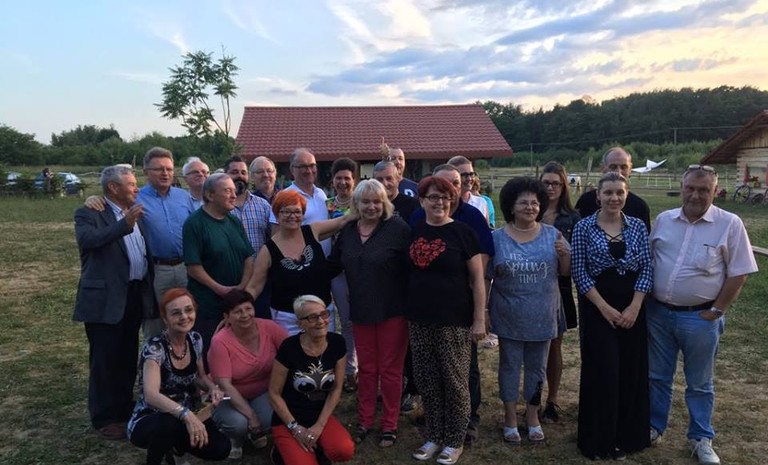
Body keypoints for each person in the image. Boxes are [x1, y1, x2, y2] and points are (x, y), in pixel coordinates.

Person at [648, 165, 758, 465]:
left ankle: (700, 437)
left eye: (703, 190)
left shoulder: (729, 224)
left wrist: (717, 310)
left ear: (715, 191)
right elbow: (649, 259)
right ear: (682, 188)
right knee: (657, 376)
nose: (695, 195)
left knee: (699, 383)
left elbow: (739, 273)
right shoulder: (664, 220)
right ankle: (654, 427)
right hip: (658, 314)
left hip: (700, 318)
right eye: (690, 188)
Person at [571, 172, 653, 460]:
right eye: (608, 193)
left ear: (626, 195)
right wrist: (604, 308)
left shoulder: (638, 226)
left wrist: (635, 307)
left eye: (619, 192)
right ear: (598, 196)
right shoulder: (583, 227)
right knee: (604, 370)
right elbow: (579, 271)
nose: (614, 198)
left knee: (631, 370)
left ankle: (628, 436)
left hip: (632, 306)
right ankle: (599, 439)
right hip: (598, 307)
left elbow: (647, 267)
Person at [412, 164, 494, 445]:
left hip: (455, 317)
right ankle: (434, 434)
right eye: (433, 197)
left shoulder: (464, 231)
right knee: (428, 379)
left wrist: (480, 317)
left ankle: (456, 438)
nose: (439, 202)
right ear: (422, 200)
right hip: (421, 317)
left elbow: (478, 278)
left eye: (445, 197)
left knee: (457, 379)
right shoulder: (415, 228)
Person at [74, 165, 157, 440]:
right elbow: (88, 240)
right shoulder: (90, 212)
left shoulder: (134, 213)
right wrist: (124, 225)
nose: (136, 188)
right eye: (131, 184)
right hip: (105, 298)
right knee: (105, 358)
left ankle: (124, 407)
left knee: (126, 355)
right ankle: (104, 417)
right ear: (113, 188)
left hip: (133, 294)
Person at [487, 177, 570, 444]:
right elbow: (487, 277)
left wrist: (565, 254)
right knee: (509, 367)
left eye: (535, 203)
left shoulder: (553, 235)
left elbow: (565, 273)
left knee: (537, 368)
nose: (530, 207)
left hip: (543, 316)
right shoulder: (496, 239)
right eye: (523, 202)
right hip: (509, 315)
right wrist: (484, 311)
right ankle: (510, 417)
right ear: (511, 206)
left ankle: (532, 415)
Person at [329, 179, 411, 448]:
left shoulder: (397, 229)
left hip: (392, 310)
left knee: (390, 370)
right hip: (361, 309)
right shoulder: (348, 231)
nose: (371, 207)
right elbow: (332, 265)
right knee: (366, 369)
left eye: (377, 201)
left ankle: (389, 423)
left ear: (384, 203)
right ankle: (365, 419)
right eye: (365, 202)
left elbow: (412, 269)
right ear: (356, 204)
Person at [85, 147, 196, 340]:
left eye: (169, 169)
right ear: (145, 172)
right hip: (156, 270)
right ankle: (154, 358)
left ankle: (185, 357)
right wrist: (93, 198)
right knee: (156, 323)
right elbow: (111, 201)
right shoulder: (134, 197)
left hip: (185, 267)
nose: (165, 173)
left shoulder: (183, 196)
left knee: (187, 318)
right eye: (159, 169)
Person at [127, 288, 230, 465]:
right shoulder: (155, 348)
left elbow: (199, 377)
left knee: (221, 448)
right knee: (168, 424)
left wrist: (212, 388)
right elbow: (151, 395)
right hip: (153, 417)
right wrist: (186, 414)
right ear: (165, 318)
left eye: (189, 310)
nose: (184, 317)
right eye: (176, 313)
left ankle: (176, 447)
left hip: (187, 414)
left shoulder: (195, 340)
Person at [246, 190, 354, 335]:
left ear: (303, 215)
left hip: (322, 315)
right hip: (288, 321)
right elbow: (254, 287)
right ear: (277, 215)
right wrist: (238, 308)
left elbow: (343, 221)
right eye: (286, 212)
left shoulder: (312, 231)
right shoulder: (267, 251)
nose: (292, 216)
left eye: (297, 212)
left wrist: (369, 208)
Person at [268, 295, 355, 465]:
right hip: (289, 419)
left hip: (319, 415)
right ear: (300, 324)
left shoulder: (337, 343)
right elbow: (274, 394)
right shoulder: (288, 348)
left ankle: (317, 446)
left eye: (324, 314)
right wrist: (295, 428)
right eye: (312, 317)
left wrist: (320, 425)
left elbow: (336, 388)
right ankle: (279, 453)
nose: (321, 321)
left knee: (344, 450)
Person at [182, 173, 255, 365]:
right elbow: (193, 267)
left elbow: (248, 257)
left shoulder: (234, 221)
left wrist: (241, 287)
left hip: (236, 301)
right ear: (210, 195)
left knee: (237, 351)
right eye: (227, 191)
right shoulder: (194, 224)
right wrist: (221, 289)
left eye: (234, 191)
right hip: (209, 304)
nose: (234, 195)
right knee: (211, 351)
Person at [209, 290, 289, 459]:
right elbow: (225, 385)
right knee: (238, 424)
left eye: (248, 308)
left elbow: (291, 352)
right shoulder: (220, 341)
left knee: (273, 416)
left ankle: (255, 432)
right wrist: (252, 416)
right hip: (228, 395)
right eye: (237, 311)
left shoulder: (269, 327)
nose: (245, 315)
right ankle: (234, 438)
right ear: (227, 317)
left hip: (263, 391)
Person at [539, 161, 581, 423]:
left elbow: (578, 257)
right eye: (546, 182)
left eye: (556, 183)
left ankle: (551, 400)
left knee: (555, 344)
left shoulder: (573, 218)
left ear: (564, 186)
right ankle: (532, 397)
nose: (551, 188)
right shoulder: (529, 209)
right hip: (530, 284)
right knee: (532, 346)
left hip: (559, 286)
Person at [224, 155, 273, 319]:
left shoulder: (263, 205)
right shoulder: (218, 207)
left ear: (249, 177)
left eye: (243, 172)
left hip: (260, 279)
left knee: (261, 321)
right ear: (225, 175)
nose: (239, 176)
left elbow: (272, 241)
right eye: (234, 172)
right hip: (230, 279)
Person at [326, 157, 359, 393]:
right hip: (332, 268)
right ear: (333, 180)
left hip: (355, 269)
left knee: (351, 321)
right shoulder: (325, 205)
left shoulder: (361, 204)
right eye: (339, 178)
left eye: (347, 178)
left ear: (354, 180)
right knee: (335, 319)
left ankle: (352, 369)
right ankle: (335, 367)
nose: (343, 182)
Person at [270, 148, 332, 256]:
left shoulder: (321, 194)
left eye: (312, 165)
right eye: (303, 166)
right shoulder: (284, 197)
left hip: (326, 262)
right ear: (292, 169)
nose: (309, 170)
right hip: (300, 262)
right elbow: (276, 237)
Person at [575, 146, 651, 231]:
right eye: (613, 167)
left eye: (624, 167)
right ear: (603, 168)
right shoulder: (585, 202)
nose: (618, 172)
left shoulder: (640, 207)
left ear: (630, 169)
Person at [447, 156, 489, 224]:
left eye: (471, 174)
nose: (469, 179)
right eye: (464, 175)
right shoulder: (445, 204)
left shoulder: (481, 203)